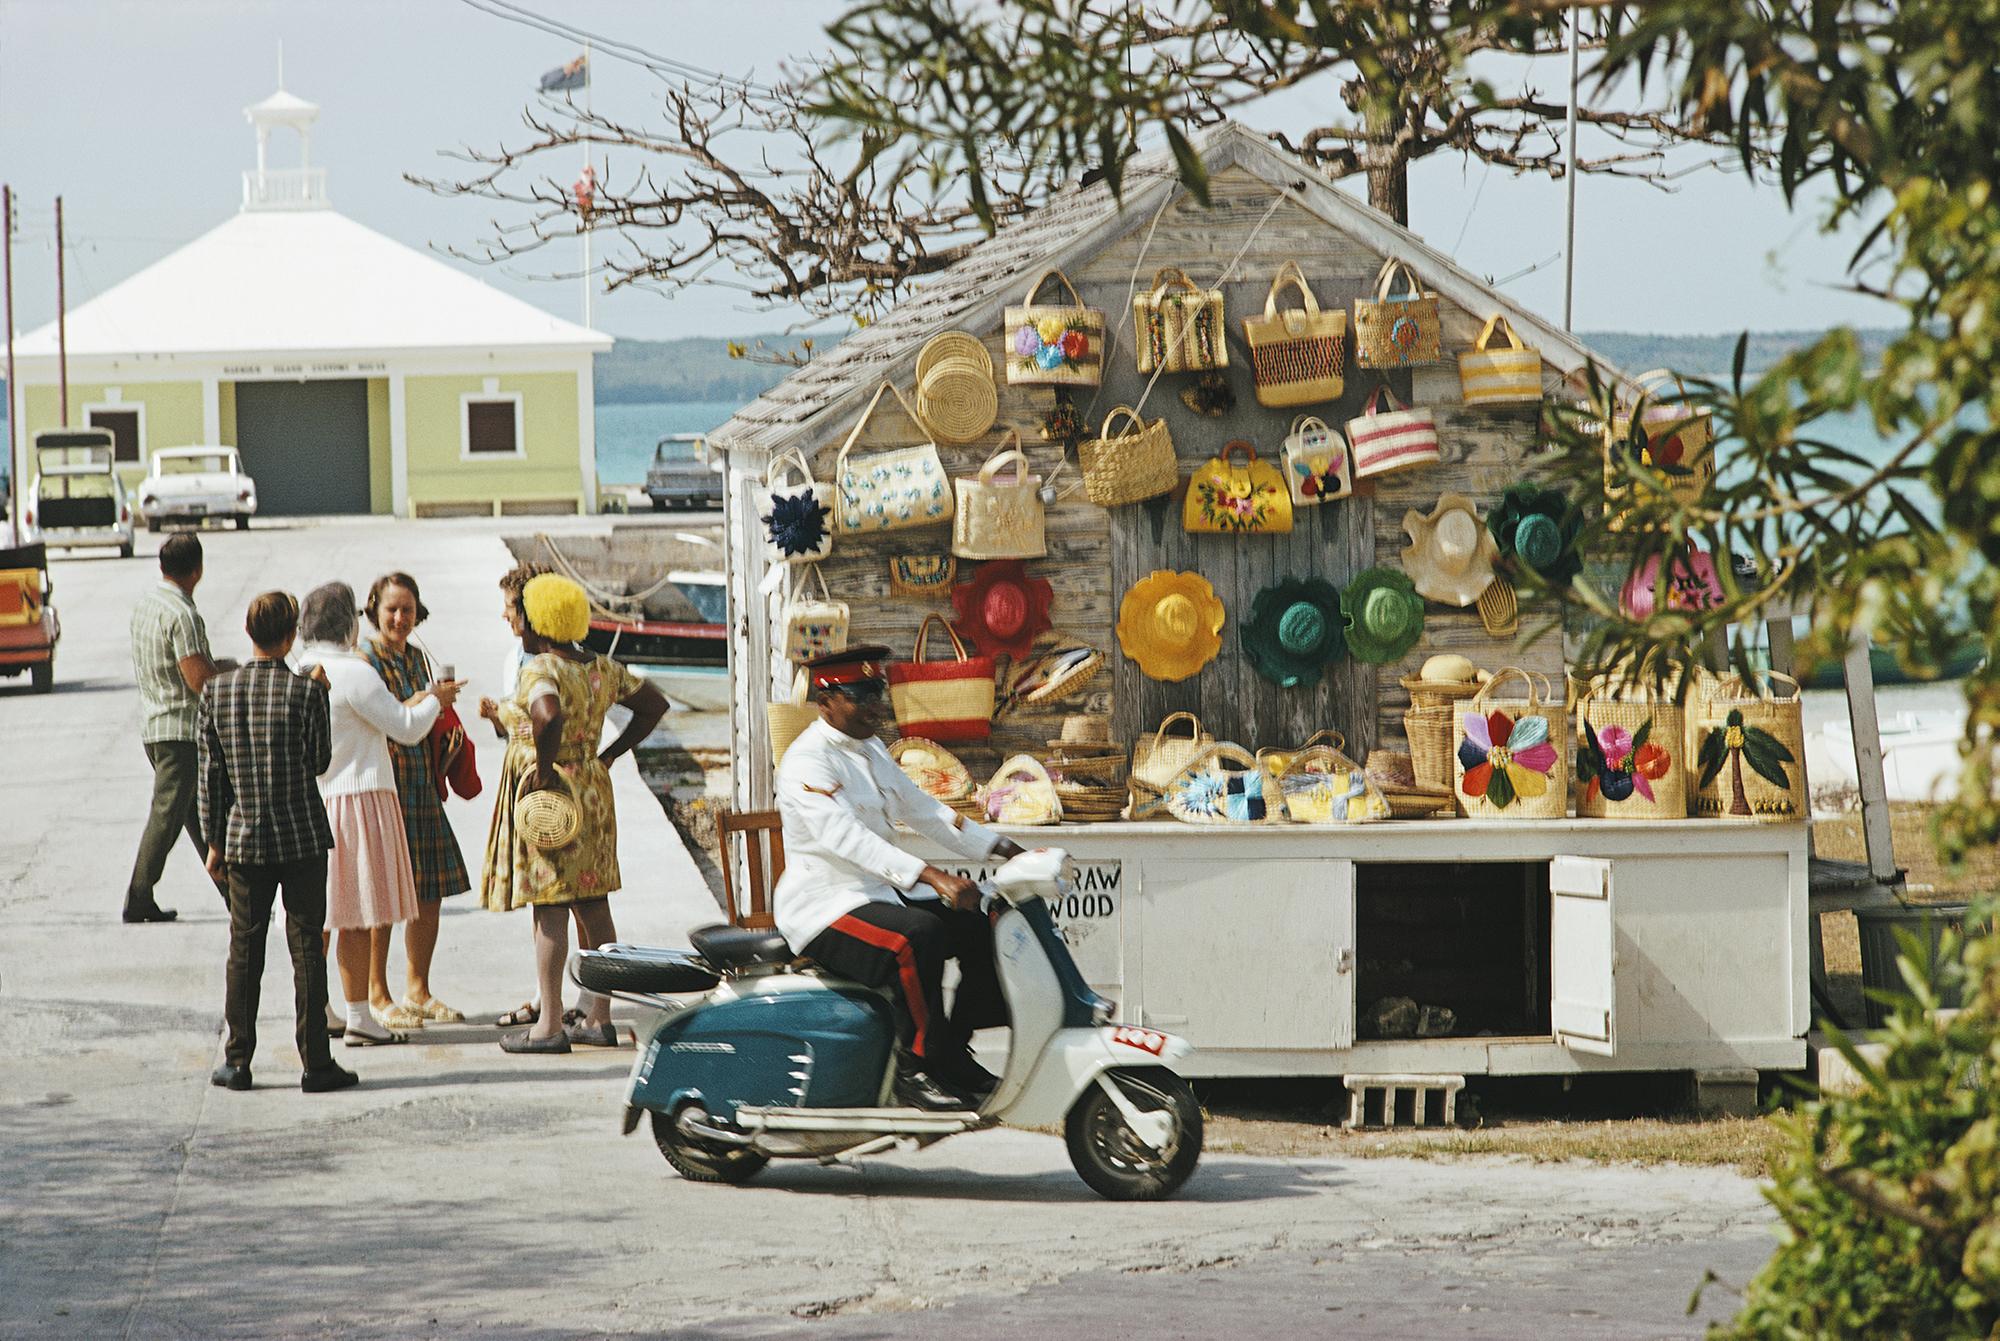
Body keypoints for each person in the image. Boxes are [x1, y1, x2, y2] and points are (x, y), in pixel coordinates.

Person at [771, 646, 1025, 1111]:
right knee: (917, 936)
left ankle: (952, 1049)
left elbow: (922, 808)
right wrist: (932, 875)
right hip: (825, 906)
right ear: (825, 700)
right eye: (860, 693)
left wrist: (1001, 848)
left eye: (877, 691)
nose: (875, 704)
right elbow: (847, 839)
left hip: (879, 894)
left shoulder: (868, 749)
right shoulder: (807, 762)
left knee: (982, 918)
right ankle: (916, 1066)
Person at [480, 573, 668, 1053]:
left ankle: (548, 1024)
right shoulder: (601, 667)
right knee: (594, 902)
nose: (517, 624)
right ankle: (599, 1017)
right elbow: (654, 704)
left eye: (521, 615)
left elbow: (547, 715)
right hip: (594, 790)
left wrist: (543, 769)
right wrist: (610, 754)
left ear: (538, 621)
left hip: (557, 796)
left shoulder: (541, 668)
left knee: (550, 906)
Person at [199, 591, 354, 1093]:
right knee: (306, 947)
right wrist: (322, 696)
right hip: (302, 837)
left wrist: (213, 842)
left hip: (245, 841)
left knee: (245, 949)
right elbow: (319, 761)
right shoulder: (306, 692)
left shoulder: (217, 693)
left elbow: (212, 778)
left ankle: (238, 1060)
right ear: (290, 637)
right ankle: (316, 1064)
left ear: (250, 634)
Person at [297, 582, 460, 1046]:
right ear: (349, 622)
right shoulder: (355, 672)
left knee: (325, 913)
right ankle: (359, 1016)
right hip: (361, 796)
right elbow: (406, 728)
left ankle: (319, 1006)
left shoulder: (303, 667)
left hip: (319, 797)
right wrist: (437, 699)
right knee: (356, 912)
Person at [360, 571, 473, 1025]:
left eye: (408, 609)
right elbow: (390, 718)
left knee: (430, 892)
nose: (400, 618)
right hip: (385, 788)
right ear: (375, 609)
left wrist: (445, 747)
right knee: (382, 897)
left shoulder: (419, 657)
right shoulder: (366, 659)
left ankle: (417, 989)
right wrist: (432, 700)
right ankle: (376, 992)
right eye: (392, 609)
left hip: (420, 785)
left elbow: (424, 723)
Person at [124, 532, 233, 923]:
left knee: (198, 816)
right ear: (198, 570)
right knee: (168, 814)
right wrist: (229, 672)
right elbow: (198, 678)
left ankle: (232, 892)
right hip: (180, 731)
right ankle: (138, 895)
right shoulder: (183, 615)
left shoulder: (147, 605)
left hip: (154, 723)